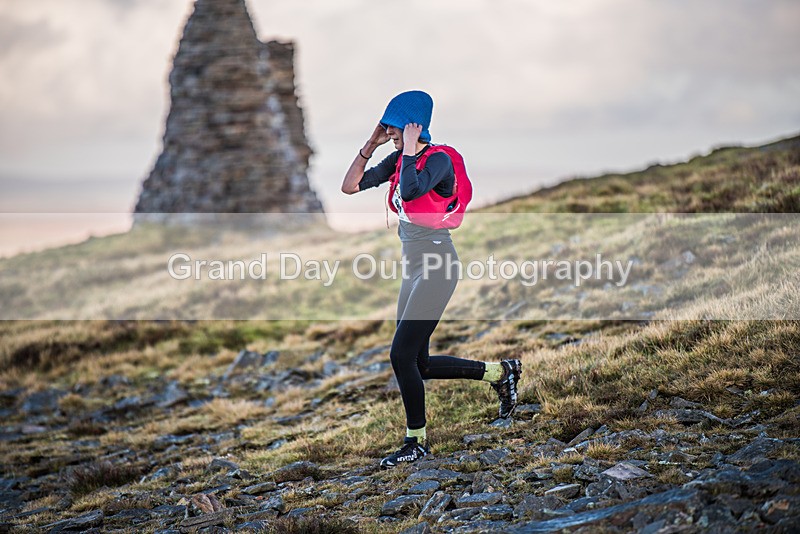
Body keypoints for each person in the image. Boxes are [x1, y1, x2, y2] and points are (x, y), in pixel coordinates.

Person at [341, 90, 522, 468]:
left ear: (413, 125)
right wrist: (370, 145)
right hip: (414, 269)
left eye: (394, 126)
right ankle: (500, 373)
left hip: (438, 266)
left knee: (399, 354)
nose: (389, 132)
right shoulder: (398, 157)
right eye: (387, 127)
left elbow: (410, 190)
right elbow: (351, 185)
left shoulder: (437, 160)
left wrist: (407, 148)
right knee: (417, 362)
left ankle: (416, 442)